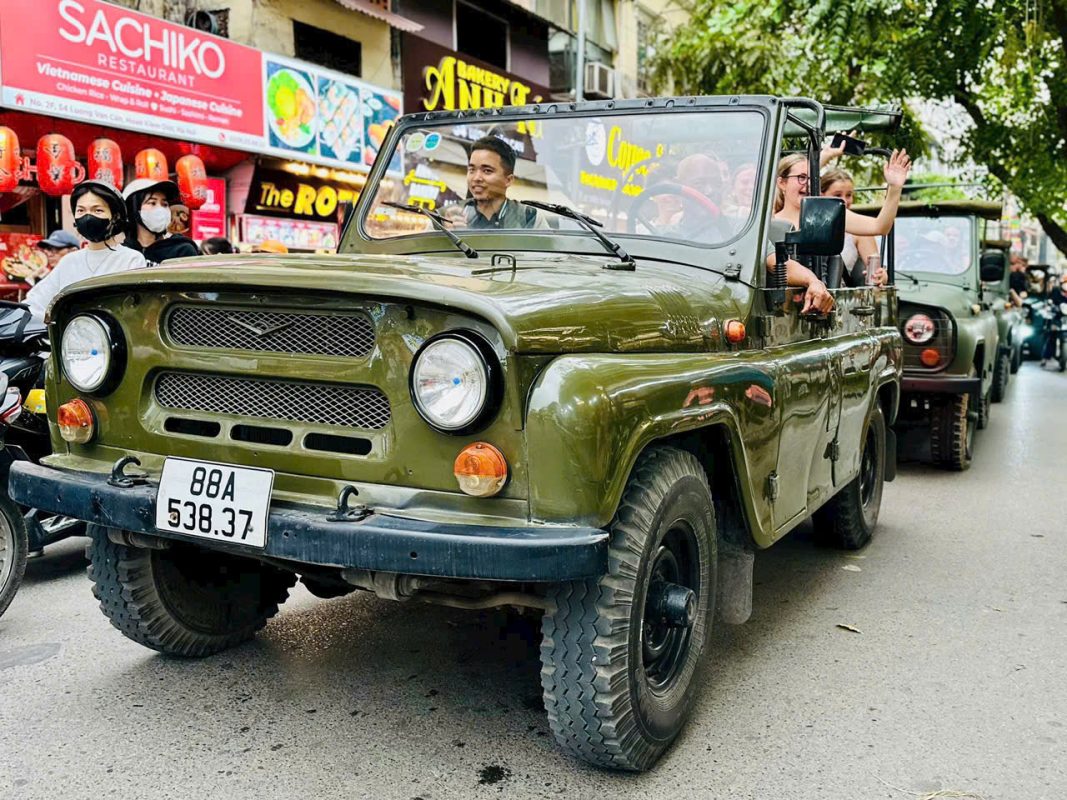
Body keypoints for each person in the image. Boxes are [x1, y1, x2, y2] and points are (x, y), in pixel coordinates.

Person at [769, 149, 910, 313]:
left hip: (825, 308)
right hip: (780, 310)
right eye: (801, 177)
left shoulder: (829, 215)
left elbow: (880, 226)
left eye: (812, 179)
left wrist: (894, 188)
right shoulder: (769, 223)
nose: (808, 184)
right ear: (782, 183)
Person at [26, 182, 145, 322]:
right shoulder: (69, 262)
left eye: (97, 210)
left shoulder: (131, 260)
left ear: (115, 216)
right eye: (81, 211)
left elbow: (135, 311)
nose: (88, 217)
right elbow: (35, 304)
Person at [820, 168, 887, 286]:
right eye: (837, 195)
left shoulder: (860, 231)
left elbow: (878, 272)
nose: (844, 201)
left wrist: (881, 277)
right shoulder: (810, 223)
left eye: (849, 195)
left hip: (839, 294)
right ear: (821, 195)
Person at [463, 136, 546, 229]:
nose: (476, 178)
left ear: (508, 180)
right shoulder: (456, 214)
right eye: (472, 170)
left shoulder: (528, 218)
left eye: (487, 171)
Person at [122, 178, 200, 265]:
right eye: (152, 203)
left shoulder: (182, 250)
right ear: (134, 208)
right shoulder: (121, 249)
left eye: (165, 204)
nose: (160, 209)